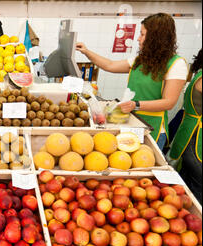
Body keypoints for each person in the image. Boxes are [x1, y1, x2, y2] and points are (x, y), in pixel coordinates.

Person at [76, 13, 188, 150]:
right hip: (131, 122)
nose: (138, 39)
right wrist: (86, 52)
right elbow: (110, 65)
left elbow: (169, 102)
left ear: (155, 38)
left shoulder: (176, 64)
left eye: (142, 34)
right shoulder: (141, 60)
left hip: (152, 128)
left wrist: (136, 105)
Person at [168, 49, 202, 203]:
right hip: (196, 138)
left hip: (189, 131)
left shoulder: (199, 74)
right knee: (197, 186)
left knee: (187, 180)